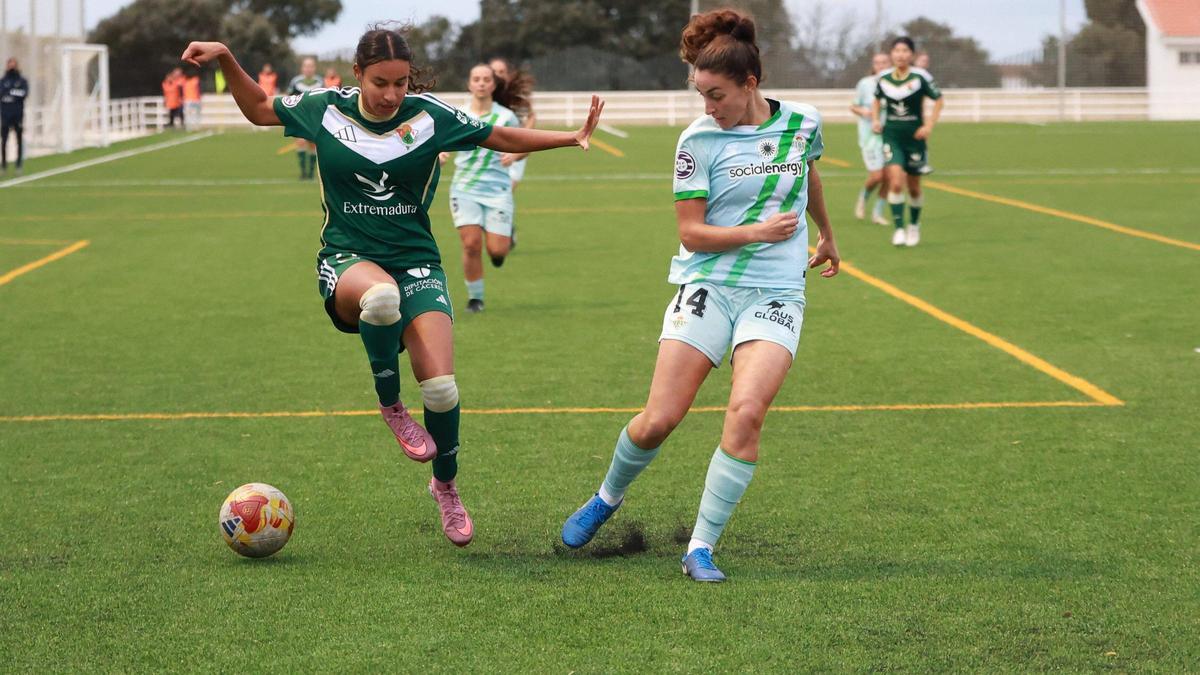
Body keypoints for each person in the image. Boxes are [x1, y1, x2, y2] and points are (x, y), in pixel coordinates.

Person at [180, 25, 604, 547]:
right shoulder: (324, 108)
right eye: (380, 82)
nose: (391, 94)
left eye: (401, 83)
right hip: (348, 258)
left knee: (443, 390)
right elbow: (261, 109)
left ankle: (445, 487)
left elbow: (497, 137)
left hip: (416, 261)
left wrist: (569, 137)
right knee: (380, 299)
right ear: (357, 74)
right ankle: (391, 404)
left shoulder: (430, 117)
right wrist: (225, 57)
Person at [559, 8, 839, 583]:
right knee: (659, 419)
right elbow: (691, 232)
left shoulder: (804, 122)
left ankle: (701, 548)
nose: (708, 107)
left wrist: (828, 233)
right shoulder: (697, 141)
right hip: (708, 285)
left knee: (747, 412)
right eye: (701, 96)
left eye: (717, 95)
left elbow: (808, 174)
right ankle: (607, 497)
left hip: (778, 291)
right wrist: (754, 233)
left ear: (750, 84)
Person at [439, 64, 528, 313]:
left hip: (498, 190)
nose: (480, 83)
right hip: (464, 188)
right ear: (469, 84)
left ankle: (501, 247)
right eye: (476, 79)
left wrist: (515, 156)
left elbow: (525, 144)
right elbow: (441, 141)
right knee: (471, 244)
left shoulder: (506, 116)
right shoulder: (459, 115)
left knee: (497, 249)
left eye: (486, 79)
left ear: (493, 85)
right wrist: (442, 153)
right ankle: (475, 299)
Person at [871, 37, 943, 247]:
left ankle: (914, 225)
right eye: (897, 50)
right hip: (891, 136)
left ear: (911, 54)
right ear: (891, 54)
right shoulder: (883, 78)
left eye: (905, 51)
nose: (900, 54)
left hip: (915, 138)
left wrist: (928, 125)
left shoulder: (920, 77)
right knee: (895, 182)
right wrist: (876, 119)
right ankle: (899, 229)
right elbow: (876, 100)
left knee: (913, 188)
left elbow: (939, 99)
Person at [849, 53, 891, 226]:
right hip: (870, 138)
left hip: (890, 136)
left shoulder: (894, 86)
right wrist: (865, 112)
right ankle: (862, 199)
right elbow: (853, 105)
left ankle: (878, 213)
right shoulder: (865, 84)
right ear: (873, 65)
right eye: (877, 62)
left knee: (890, 176)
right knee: (877, 176)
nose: (881, 65)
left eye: (884, 62)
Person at [488, 57, 536, 193]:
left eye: (501, 71)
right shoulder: (481, 97)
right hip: (488, 152)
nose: (497, 74)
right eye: (494, 71)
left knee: (503, 195)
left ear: (508, 75)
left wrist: (523, 143)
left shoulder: (517, 99)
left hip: (513, 152)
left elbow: (531, 116)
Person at [287, 57, 322, 179]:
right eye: (306, 66)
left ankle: (311, 173)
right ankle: (303, 173)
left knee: (313, 145)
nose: (308, 68)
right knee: (301, 143)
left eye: (311, 66)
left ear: (314, 68)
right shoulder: (296, 82)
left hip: (315, 119)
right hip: (300, 118)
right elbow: (289, 100)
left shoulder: (320, 82)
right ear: (302, 68)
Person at [1, 57, 29, 176]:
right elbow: (1, 93)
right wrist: (13, 93)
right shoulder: (3, 81)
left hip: (18, 115)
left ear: (17, 66)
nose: (11, 67)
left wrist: (10, 92)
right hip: (5, 115)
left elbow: (24, 94)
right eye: (9, 64)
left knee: (18, 140)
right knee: (4, 141)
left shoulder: (22, 81)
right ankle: (4, 166)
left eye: (13, 64)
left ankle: (18, 165)